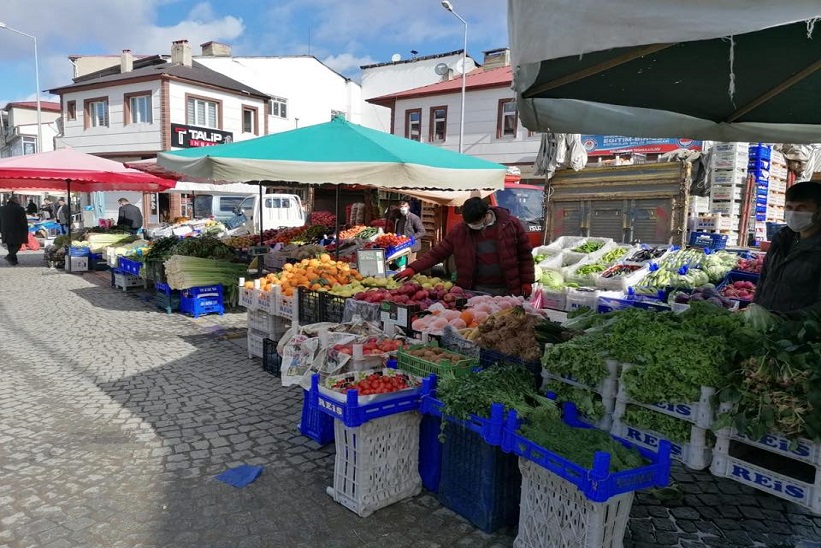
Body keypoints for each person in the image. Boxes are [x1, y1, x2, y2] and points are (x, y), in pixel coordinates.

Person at [394, 197, 534, 297]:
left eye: (476, 223)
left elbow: (525, 254)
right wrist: (413, 268)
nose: (473, 226)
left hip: (506, 289)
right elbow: (437, 253)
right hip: (474, 291)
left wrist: (527, 281)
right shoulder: (460, 231)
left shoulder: (510, 224)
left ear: (486, 215)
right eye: (470, 223)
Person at [753, 181, 821, 319]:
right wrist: (755, 308)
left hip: (799, 333)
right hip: (766, 326)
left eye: (802, 208)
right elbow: (764, 279)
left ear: (819, 212)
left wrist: (783, 319)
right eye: (789, 207)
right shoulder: (781, 239)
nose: (793, 213)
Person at [0, 197, 29, 265]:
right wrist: (25, 229)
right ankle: (10, 256)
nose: (19, 201)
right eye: (18, 200)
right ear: (15, 201)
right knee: (18, 244)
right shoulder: (20, 209)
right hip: (17, 230)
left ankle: (13, 261)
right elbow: (23, 221)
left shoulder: (2, 208)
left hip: (5, 229)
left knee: (10, 245)